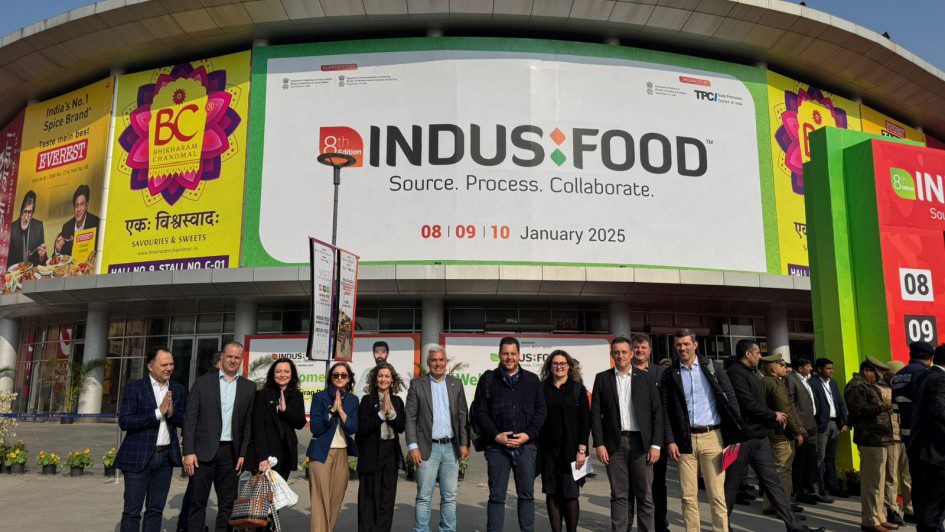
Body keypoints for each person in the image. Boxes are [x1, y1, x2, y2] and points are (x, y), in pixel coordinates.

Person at [661, 329, 748, 532]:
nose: (682, 348)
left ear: (695, 344)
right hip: (684, 441)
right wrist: (670, 440)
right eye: (678, 345)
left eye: (686, 344)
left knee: (716, 495)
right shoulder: (670, 373)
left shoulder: (712, 367)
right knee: (688, 496)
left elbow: (731, 399)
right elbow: (666, 410)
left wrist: (734, 433)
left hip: (712, 438)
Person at [723, 344, 814, 532]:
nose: (760, 356)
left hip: (760, 437)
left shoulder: (755, 373)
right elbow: (747, 404)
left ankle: (794, 526)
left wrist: (770, 416)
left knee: (772, 482)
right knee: (731, 486)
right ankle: (723, 526)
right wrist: (772, 415)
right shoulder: (735, 374)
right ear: (748, 354)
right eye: (757, 353)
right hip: (741, 438)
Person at [472, 336, 547, 532]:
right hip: (497, 447)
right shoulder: (488, 380)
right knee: (497, 496)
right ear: (499, 355)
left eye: (513, 353)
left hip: (526, 447)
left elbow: (541, 412)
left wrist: (528, 435)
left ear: (519, 355)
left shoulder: (532, 380)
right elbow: (480, 412)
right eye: (505, 353)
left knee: (526, 496)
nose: (509, 357)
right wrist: (496, 436)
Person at [591, 337, 662, 532]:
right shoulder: (602, 378)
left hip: (642, 444)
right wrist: (599, 444)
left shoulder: (646, 378)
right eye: (616, 352)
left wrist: (656, 445)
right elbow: (595, 414)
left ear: (631, 353)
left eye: (624, 352)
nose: (620, 355)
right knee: (619, 495)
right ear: (612, 354)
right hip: (614, 445)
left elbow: (657, 413)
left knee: (645, 495)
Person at [182, 342, 255, 531]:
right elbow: (190, 419)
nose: (233, 360)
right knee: (197, 503)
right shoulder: (203, 382)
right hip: (202, 453)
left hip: (231, 454)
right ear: (222, 357)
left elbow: (248, 423)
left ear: (242, 359)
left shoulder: (249, 387)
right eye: (229, 356)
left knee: (228, 504)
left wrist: (243, 453)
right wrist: (188, 451)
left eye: (237, 357)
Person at [115, 346, 187, 532]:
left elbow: (185, 420)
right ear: (150, 366)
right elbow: (125, 421)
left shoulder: (178, 389)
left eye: (171, 364)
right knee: (132, 511)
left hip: (165, 459)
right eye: (164, 365)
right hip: (138, 457)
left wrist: (171, 414)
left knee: (155, 510)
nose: (169, 368)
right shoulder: (135, 388)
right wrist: (158, 413)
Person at [405, 344, 469, 532]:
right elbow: (410, 417)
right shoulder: (417, 385)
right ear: (428, 363)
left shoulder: (456, 384)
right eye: (434, 360)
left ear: (446, 362)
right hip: (426, 449)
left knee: (450, 497)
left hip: (451, 449)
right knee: (424, 497)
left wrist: (464, 443)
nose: (438, 363)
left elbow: (463, 416)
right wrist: (413, 446)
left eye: (441, 360)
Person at [845, 356, 898, 532]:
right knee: (871, 483)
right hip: (870, 440)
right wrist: (885, 406)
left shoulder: (868, 386)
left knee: (879, 482)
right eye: (876, 373)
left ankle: (879, 516)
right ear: (866, 371)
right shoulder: (856, 386)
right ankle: (869, 520)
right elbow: (860, 412)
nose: (878, 377)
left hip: (879, 439)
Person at [540, 350, 591, 532]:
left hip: (572, 451)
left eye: (562, 363)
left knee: (570, 494)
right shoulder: (542, 388)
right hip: (548, 451)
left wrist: (582, 450)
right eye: (555, 363)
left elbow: (586, 421)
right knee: (552, 493)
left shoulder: (577, 389)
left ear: (569, 366)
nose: (559, 367)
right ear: (550, 366)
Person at [306, 361, 358, 531]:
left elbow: (352, 428)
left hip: (342, 452)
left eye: (344, 375)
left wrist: (341, 411)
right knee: (320, 499)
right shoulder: (319, 397)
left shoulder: (353, 400)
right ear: (331, 378)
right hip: (321, 452)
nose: (339, 378)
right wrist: (331, 411)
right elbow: (315, 428)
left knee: (336, 497)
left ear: (349, 378)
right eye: (336, 375)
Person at [628, 333, 672, 532]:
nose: (639, 350)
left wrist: (663, 441)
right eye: (636, 347)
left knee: (658, 485)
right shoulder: (624, 372)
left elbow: (665, 407)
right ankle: (627, 524)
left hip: (655, 439)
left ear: (649, 350)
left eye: (643, 347)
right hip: (632, 439)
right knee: (629, 487)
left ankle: (660, 524)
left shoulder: (660, 373)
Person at [759, 354, 809, 523]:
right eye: (781, 365)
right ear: (774, 368)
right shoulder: (776, 384)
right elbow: (786, 410)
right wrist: (797, 432)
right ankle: (784, 507)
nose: (785, 367)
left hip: (769, 433)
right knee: (783, 472)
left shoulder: (763, 382)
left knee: (773, 471)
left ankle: (769, 504)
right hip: (780, 434)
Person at [356, 362, 406, 532]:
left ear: (392, 380)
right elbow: (363, 428)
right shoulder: (367, 400)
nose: (383, 379)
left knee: (387, 499)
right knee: (368, 499)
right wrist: (380, 415)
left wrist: (391, 414)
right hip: (371, 455)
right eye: (380, 376)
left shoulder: (397, 401)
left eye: (387, 376)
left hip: (390, 454)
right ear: (375, 379)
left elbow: (401, 427)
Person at [177, 351, 221, 532]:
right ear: (220, 363)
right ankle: (186, 524)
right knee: (195, 494)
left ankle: (185, 524)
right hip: (203, 449)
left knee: (194, 492)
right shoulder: (205, 383)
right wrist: (188, 445)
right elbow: (192, 415)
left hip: (206, 448)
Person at [890, 341, 934, 523]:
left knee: (914, 476)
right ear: (930, 357)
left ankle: (916, 512)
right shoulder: (926, 374)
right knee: (929, 479)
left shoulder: (898, 376)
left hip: (907, 433)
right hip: (926, 434)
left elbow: (895, 408)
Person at [908, 344, 945, 532]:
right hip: (935, 453)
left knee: (924, 505)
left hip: (921, 449)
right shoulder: (940, 379)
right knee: (933, 507)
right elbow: (939, 412)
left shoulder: (924, 376)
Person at [253, 357, 307, 481]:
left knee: (281, 490)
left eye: (286, 371)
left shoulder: (297, 395)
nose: (282, 375)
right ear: (273, 374)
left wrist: (285, 412)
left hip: (286, 452)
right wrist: (262, 457)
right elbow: (258, 428)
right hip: (268, 454)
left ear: (292, 374)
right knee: (266, 491)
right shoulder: (262, 395)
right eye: (278, 371)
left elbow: (300, 423)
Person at [786, 357, 824, 505]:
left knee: (811, 461)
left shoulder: (806, 380)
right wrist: (799, 426)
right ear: (800, 368)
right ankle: (799, 492)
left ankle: (811, 491)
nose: (811, 368)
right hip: (802, 427)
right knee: (800, 462)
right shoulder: (791, 379)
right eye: (808, 366)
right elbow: (791, 404)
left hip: (812, 424)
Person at [811, 357, 848, 499]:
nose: (831, 371)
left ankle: (833, 486)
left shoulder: (833, 383)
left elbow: (840, 402)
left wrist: (844, 422)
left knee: (831, 457)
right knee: (820, 457)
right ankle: (820, 488)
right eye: (828, 368)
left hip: (835, 423)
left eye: (832, 368)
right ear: (820, 369)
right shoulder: (812, 383)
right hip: (822, 424)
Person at [878, 361, 907, 527]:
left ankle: (910, 508)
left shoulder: (904, 387)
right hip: (890, 436)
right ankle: (892, 510)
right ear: (887, 375)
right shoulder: (879, 389)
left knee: (908, 476)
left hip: (905, 435)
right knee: (891, 476)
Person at [54, 183, 100, 257]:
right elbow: (59, 257)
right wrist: (57, 250)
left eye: (82, 204)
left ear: (86, 205)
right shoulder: (67, 227)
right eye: (76, 205)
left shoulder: (96, 223)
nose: (78, 209)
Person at [8, 190, 46, 266]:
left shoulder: (38, 226)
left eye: (29, 213)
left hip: (33, 270)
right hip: (16, 271)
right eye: (24, 212)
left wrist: (42, 255)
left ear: (33, 212)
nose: (26, 217)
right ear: (21, 210)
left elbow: (42, 261)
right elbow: (8, 259)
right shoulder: (12, 228)